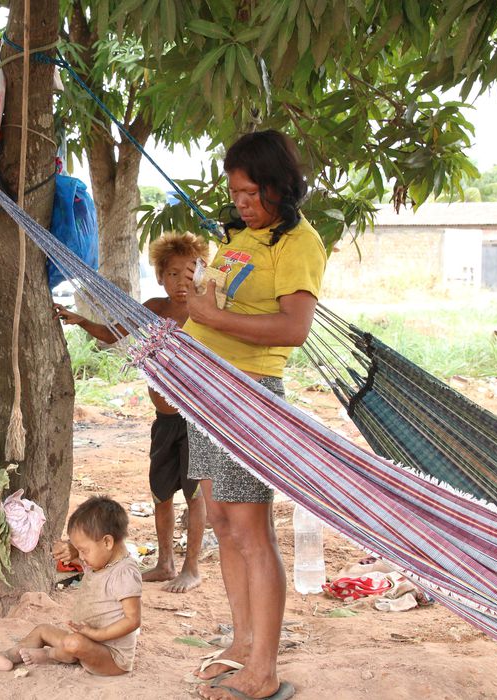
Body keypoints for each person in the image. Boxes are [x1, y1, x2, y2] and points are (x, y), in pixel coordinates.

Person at [185, 130, 325, 700]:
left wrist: (212, 321)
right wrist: (197, 309)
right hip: (206, 390)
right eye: (234, 193)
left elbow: (294, 328)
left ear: (276, 186)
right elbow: (210, 303)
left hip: (250, 396)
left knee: (250, 530)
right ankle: (243, 644)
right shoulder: (239, 238)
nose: (240, 203)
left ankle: (263, 671)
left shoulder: (299, 244)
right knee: (221, 521)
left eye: (249, 193)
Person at [55, 233, 210, 593]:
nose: (181, 282)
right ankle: (165, 562)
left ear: (202, 273)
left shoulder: (206, 312)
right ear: (159, 276)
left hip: (197, 419)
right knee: (161, 492)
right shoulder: (154, 309)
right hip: (165, 419)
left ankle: (192, 567)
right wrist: (79, 320)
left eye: (190, 273)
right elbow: (113, 333)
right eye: (172, 274)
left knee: (195, 495)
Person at [0, 496, 142, 676]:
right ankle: (7, 656)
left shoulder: (125, 573)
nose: (81, 557)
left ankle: (50, 655)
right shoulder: (99, 560)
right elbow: (81, 555)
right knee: (42, 630)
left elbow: (132, 620)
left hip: (111, 657)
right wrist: (71, 549)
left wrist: (96, 635)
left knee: (74, 643)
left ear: (107, 542)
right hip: (86, 638)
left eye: (84, 550)